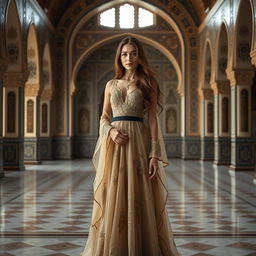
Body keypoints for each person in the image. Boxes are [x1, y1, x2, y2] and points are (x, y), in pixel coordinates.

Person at [81, 36, 181, 256]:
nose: (129, 58)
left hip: (138, 142)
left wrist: (154, 155)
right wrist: (111, 131)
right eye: (124, 54)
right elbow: (104, 117)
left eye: (133, 53)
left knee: (139, 192)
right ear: (119, 57)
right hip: (115, 145)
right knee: (114, 192)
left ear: (139, 56)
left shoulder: (148, 83)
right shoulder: (110, 85)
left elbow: (153, 119)